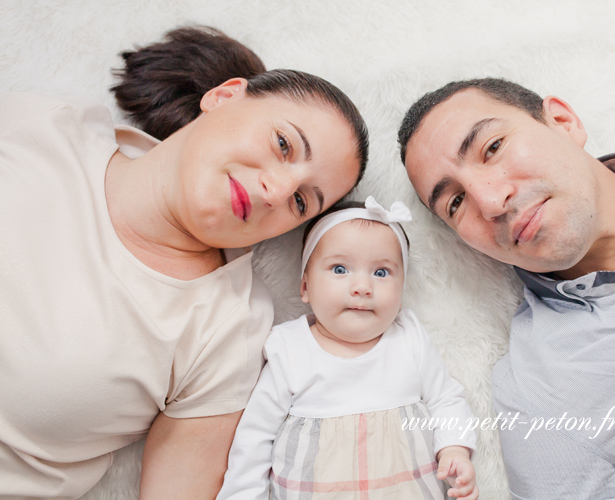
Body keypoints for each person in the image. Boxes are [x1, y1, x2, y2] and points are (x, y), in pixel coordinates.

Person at [0, 26, 368, 499]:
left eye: (301, 201)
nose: (276, 191)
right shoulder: (41, 125)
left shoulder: (226, 331)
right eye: (283, 145)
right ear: (224, 96)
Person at [397, 78, 615, 499]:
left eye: (492, 148)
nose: (491, 202)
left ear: (563, 122)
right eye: (455, 203)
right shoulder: (539, 398)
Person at [216, 197, 479, 500]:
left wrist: (455, 448)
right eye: (340, 269)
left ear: (401, 289)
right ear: (305, 287)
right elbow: (254, 437)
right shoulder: (290, 349)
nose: (362, 287)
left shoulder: (408, 338)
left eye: (381, 273)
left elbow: (445, 398)